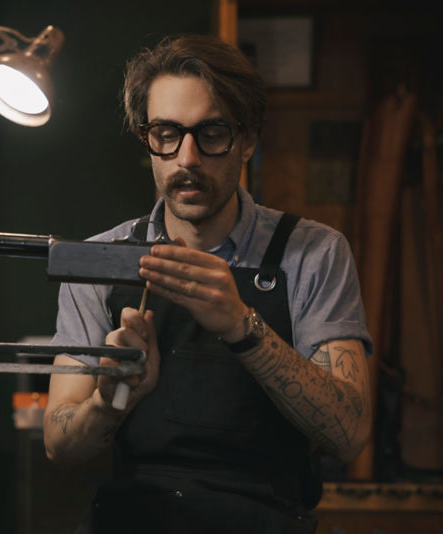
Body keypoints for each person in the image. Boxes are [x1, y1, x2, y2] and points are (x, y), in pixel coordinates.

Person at [43, 34, 372, 534]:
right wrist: (112, 400)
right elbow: (59, 445)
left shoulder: (314, 253)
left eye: (212, 133)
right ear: (147, 139)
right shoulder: (100, 260)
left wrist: (242, 326)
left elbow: (349, 434)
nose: (187, 158)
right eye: (166, 134)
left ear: (248, 140)